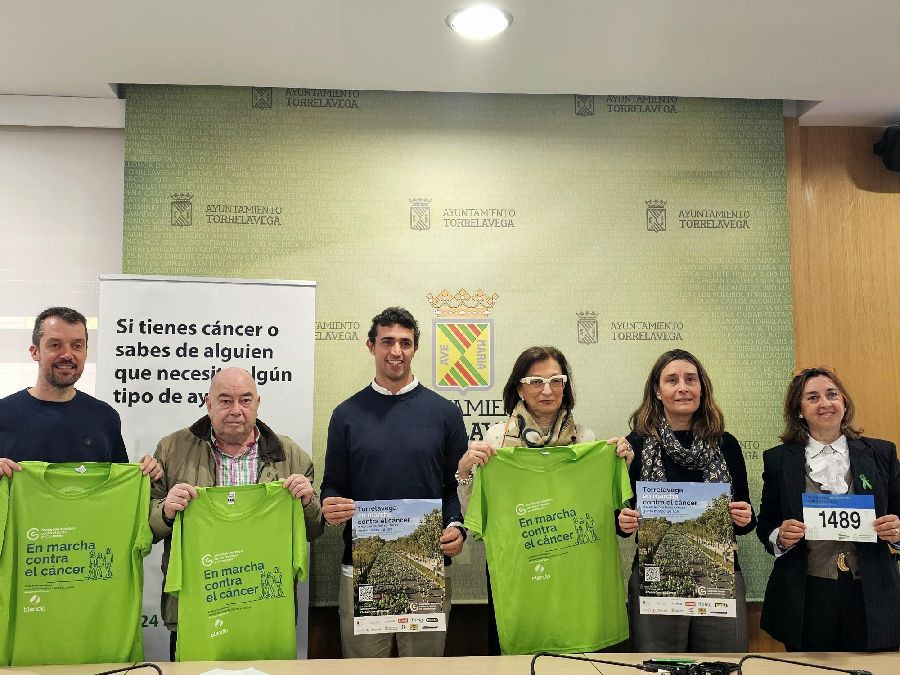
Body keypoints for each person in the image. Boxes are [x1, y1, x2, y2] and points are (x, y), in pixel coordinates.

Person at [456, 345, 634, 654]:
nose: (547, 390)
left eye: (556, 380)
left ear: (565, 387)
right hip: (518, 569)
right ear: (520, 389)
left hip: (572, 568)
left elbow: (602, 510)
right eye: (536, 381)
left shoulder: (588, 440)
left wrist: (620, 466)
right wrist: (465, 471)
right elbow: (474, 513)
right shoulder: (496, 440)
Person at [320, 306, 467, 658]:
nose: (396, 351)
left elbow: (456, 488)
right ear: (371, 346)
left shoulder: (446, 413)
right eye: (387, 342)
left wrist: (456, 526)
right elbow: (333, 485)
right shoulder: (345, 415)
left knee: (424, 669)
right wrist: (331, 504)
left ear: (415, 348)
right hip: (363, 568)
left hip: (427, 567)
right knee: (364, 670)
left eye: (405, 342)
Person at [149, 367, 324, 660]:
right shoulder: (172, 449)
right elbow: (145, 527)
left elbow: (314, 530)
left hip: (263, 610)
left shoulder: (291, 456)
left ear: (257, 403)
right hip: (197, 608)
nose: (236, 410)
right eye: (225, 400)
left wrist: (307, 503)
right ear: (208, 403)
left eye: (245, 400)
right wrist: (165, 511)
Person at [618, 349, 755, 652]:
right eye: (672, 380)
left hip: (718, 577)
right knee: (658, 668)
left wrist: (744, 516)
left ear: (702, 388)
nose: (683, 387)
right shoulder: (635, 445)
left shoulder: (726, 444)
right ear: (657, 391)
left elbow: (746, 522)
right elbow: (621, 520)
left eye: (691, 379)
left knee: (723, 666)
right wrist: (624, 520)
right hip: (656, 577)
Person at [757, 366, 900, 651]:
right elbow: (766, 524)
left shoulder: (882, 453)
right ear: (799, 410)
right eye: (812, 397)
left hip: (871, 593)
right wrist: (780, 537)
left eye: (832, 394)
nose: (825, 403)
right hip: (807, 595)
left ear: (844, 402)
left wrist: (897, 531)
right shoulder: (778, 460)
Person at [0, 306, 161, 478]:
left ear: (85, 352)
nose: (67, 354)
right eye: (55, 345)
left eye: (77, 345)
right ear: (35, 352)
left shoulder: (105, 417)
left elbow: (119, 484)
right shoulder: (4, 414)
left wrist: (146, 474)